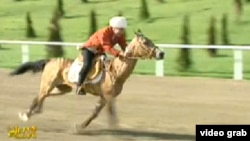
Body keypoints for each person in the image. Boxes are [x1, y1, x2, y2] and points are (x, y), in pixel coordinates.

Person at [76, 16, 128, 95]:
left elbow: (124, 45)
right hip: (89, 50)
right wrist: (118, 53)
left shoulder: (119, 35)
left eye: (123, 29)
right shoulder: (104, 32)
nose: (122, 32)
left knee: (108, 66)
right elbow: (106, 47)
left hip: (99, 52)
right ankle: (79, 85)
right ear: (113, 28)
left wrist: (128, 52)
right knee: (87, 65)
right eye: (120, 29)